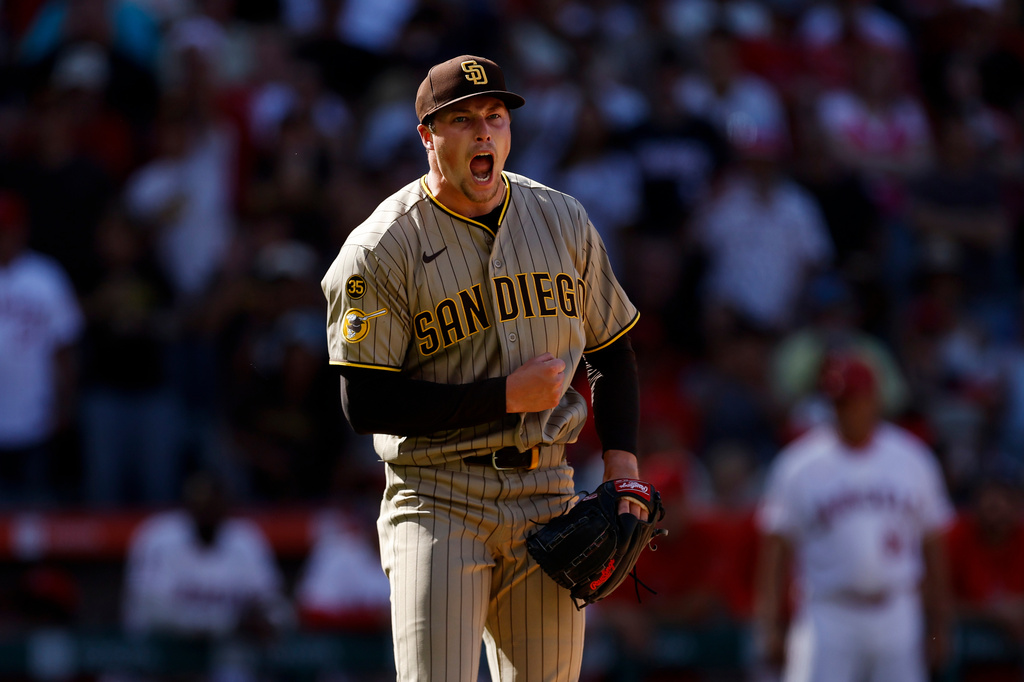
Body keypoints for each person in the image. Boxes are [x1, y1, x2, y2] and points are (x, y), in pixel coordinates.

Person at [321, 54, 645, 682]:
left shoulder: (561, 218)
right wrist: (504, 397)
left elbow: (611, 349)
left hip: (546, 490)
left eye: (495, 117)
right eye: (463, 120)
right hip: (437, 494)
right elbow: (365, 404)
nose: (483, 133)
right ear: (427, 137)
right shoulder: (381, 246)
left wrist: (623, 462)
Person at [755, 352, 955, 682]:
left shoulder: (912, 458)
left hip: (897, 610)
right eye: (839, 401)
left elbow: (933, 544)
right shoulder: (799, 464)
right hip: (828, 613)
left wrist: (939, 626)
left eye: (854, 399)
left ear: (874, 399)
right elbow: (777, 546)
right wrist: (770, 624)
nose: (846, 410)